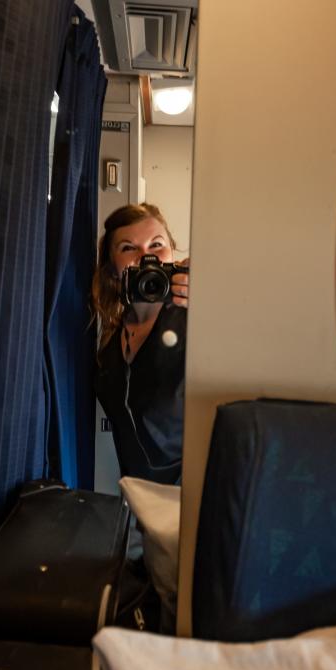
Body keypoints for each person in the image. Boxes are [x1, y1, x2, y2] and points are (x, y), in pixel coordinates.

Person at [92, 203, 189, 486]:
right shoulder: (108, 335)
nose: (146, 257)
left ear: (172, 253)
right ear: (112, 270)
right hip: (137, 499)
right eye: (128, 248)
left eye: (156, 245)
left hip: (193, 495)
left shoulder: (196, 320)